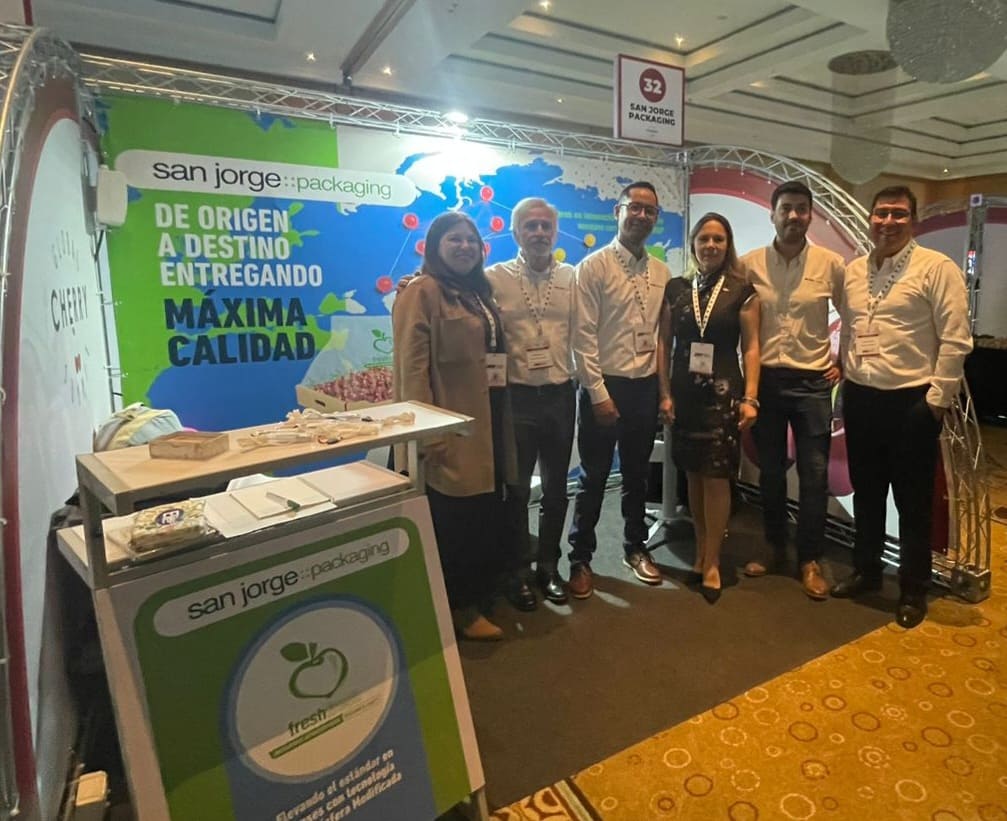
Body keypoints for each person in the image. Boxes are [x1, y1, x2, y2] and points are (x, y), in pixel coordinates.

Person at [831, 185, 972, 629]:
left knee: (912, 503)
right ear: (870, 218)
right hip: (862, 397)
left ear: (914, 220)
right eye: (881, 213)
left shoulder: (936, 268)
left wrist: (936, 402)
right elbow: (851, 329)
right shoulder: (854, 271)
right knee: (867, 494)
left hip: (912, 402)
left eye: (898, 214)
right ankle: (867, 571)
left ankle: (913, 588)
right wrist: (845, 378)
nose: (888, 222)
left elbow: (956, 339)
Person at [392, 212, 517, 640]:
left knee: (481, 513)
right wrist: (428, 434)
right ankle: (459, 609)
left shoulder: (478, 292)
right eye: (454, 239)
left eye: (471, 240)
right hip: (450, 428)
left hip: (489, 420)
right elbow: (411, 371)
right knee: (455, 520)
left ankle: (477, 594)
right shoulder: (422, 291)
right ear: (434, 246)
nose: (464, 246)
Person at [739, 180, 846, 600]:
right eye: (786, 208)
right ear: (773, 214)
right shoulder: (749, 265)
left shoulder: (830, 264)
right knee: (769, 472)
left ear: (810, 215)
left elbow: (855, 315)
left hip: (812, 384)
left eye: (802, 208)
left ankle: (810, 559)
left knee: (814, 475)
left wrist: (843, 360)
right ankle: (774, 547)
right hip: (765, 381)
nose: (794, 216)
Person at [567, 181, 670, 599]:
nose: (642, 216)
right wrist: (598, 393)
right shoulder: (592, 267)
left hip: (643, 387)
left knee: (636, 474)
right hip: (603, 386)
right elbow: (582, 337)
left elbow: (661, 339)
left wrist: (661, 391)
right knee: (593, 477)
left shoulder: (662, 273)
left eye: (650, 211)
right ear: (618, 211)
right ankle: (580, 558)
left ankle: (634, 547)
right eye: (635, 207)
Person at [657, 213, 760, 602]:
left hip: (723, 395)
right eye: (704, 239)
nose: (711, 245)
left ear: (727, 245)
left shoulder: (742, 290)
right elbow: (664, 344)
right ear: (693, 243)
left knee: (716, 476)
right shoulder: (677, 288)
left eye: (718, 239)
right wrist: (664, 392)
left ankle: (713, 559)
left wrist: (751, 397)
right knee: (694, 476)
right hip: (684, 394)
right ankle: (701, 549)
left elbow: (752, 348)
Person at [487, 198, 576, 608]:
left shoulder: (572, 277)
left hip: (560, 396)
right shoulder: (494, 278)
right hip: (517, 398)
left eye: (545, 226)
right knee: (518, 491)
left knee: (557, 489)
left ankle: (549, 567)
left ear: (555, 232)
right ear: (516, 233)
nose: (539, 233)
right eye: (531, 226)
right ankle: (518, 573)